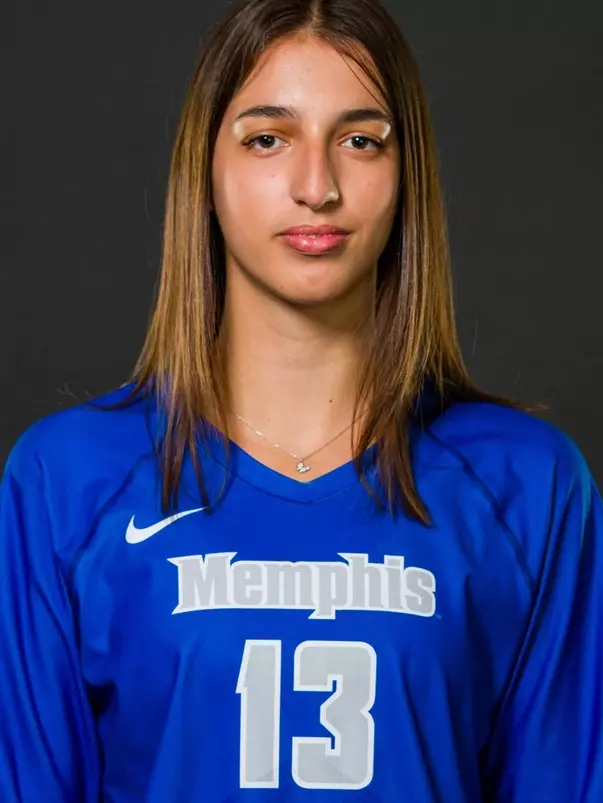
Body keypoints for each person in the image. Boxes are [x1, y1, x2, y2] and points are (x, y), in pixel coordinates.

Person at [1, 0, 601, 800]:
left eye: (359, 140)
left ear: (406, 173)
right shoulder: (65, 480)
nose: (316, 186)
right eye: (266, 138)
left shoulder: (529, 485)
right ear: (205, 171)